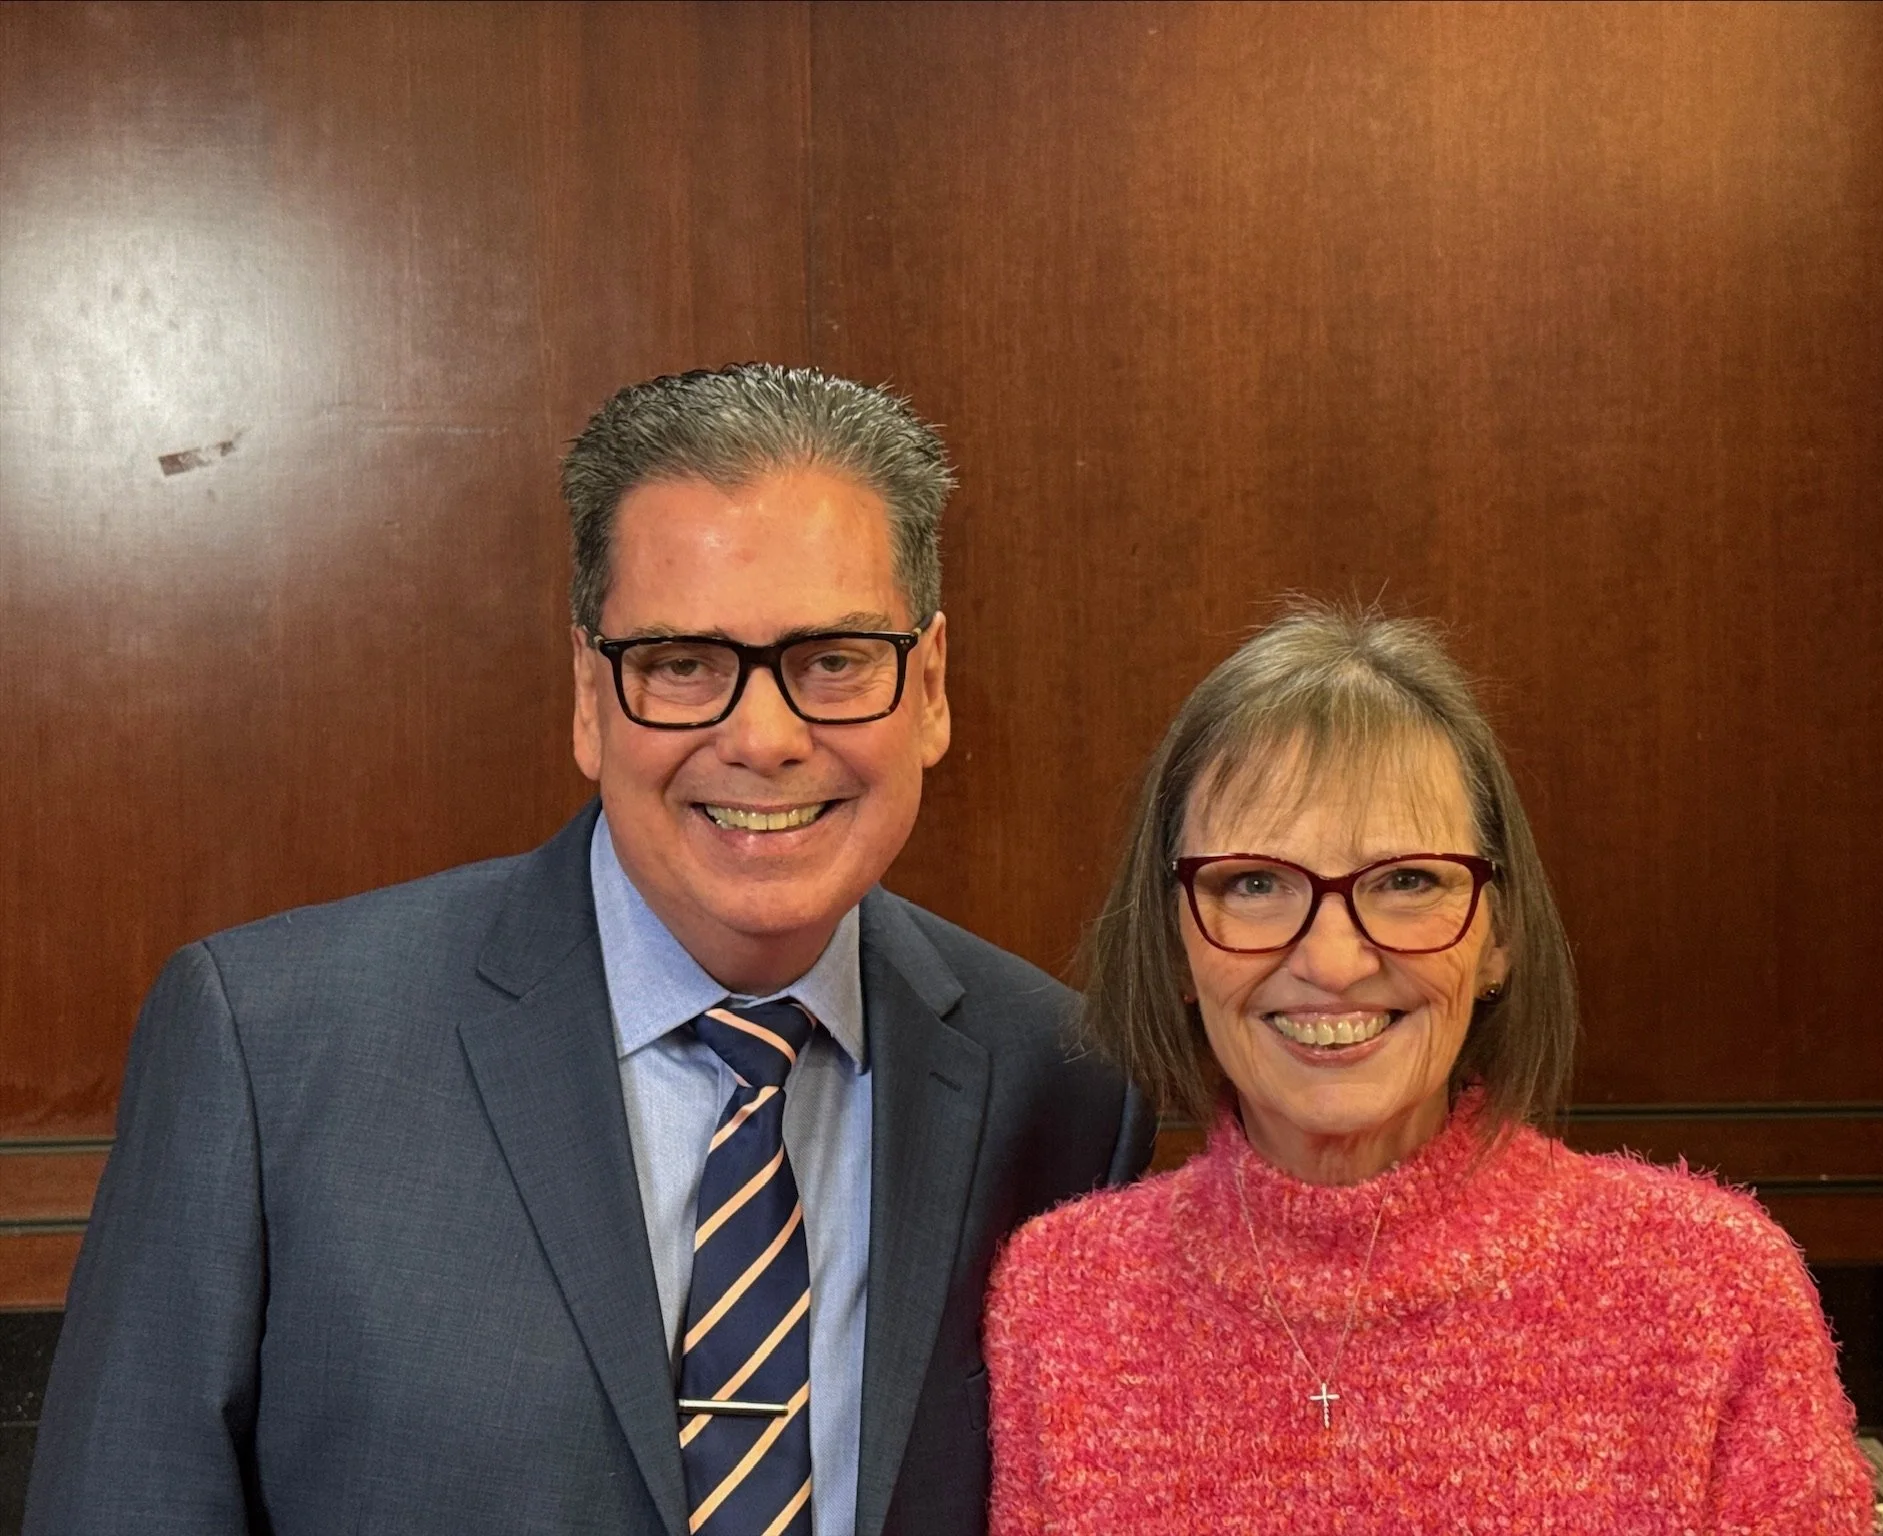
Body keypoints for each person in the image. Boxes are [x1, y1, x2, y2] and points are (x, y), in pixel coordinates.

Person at [27, 364, 1153, 1536]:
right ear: (587, 693)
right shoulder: (272, 1047)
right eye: (681, 664)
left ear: (926, 689)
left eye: (832, 659)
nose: (763, 737)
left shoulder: (1060, 1084)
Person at [984, 602, 1873, 1533]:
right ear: (1174, 944)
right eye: (1254, 883)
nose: (1333, 962)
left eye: (1406, 881)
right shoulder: (1061, 1300)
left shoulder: (1711, 1292)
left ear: (1500, 935)